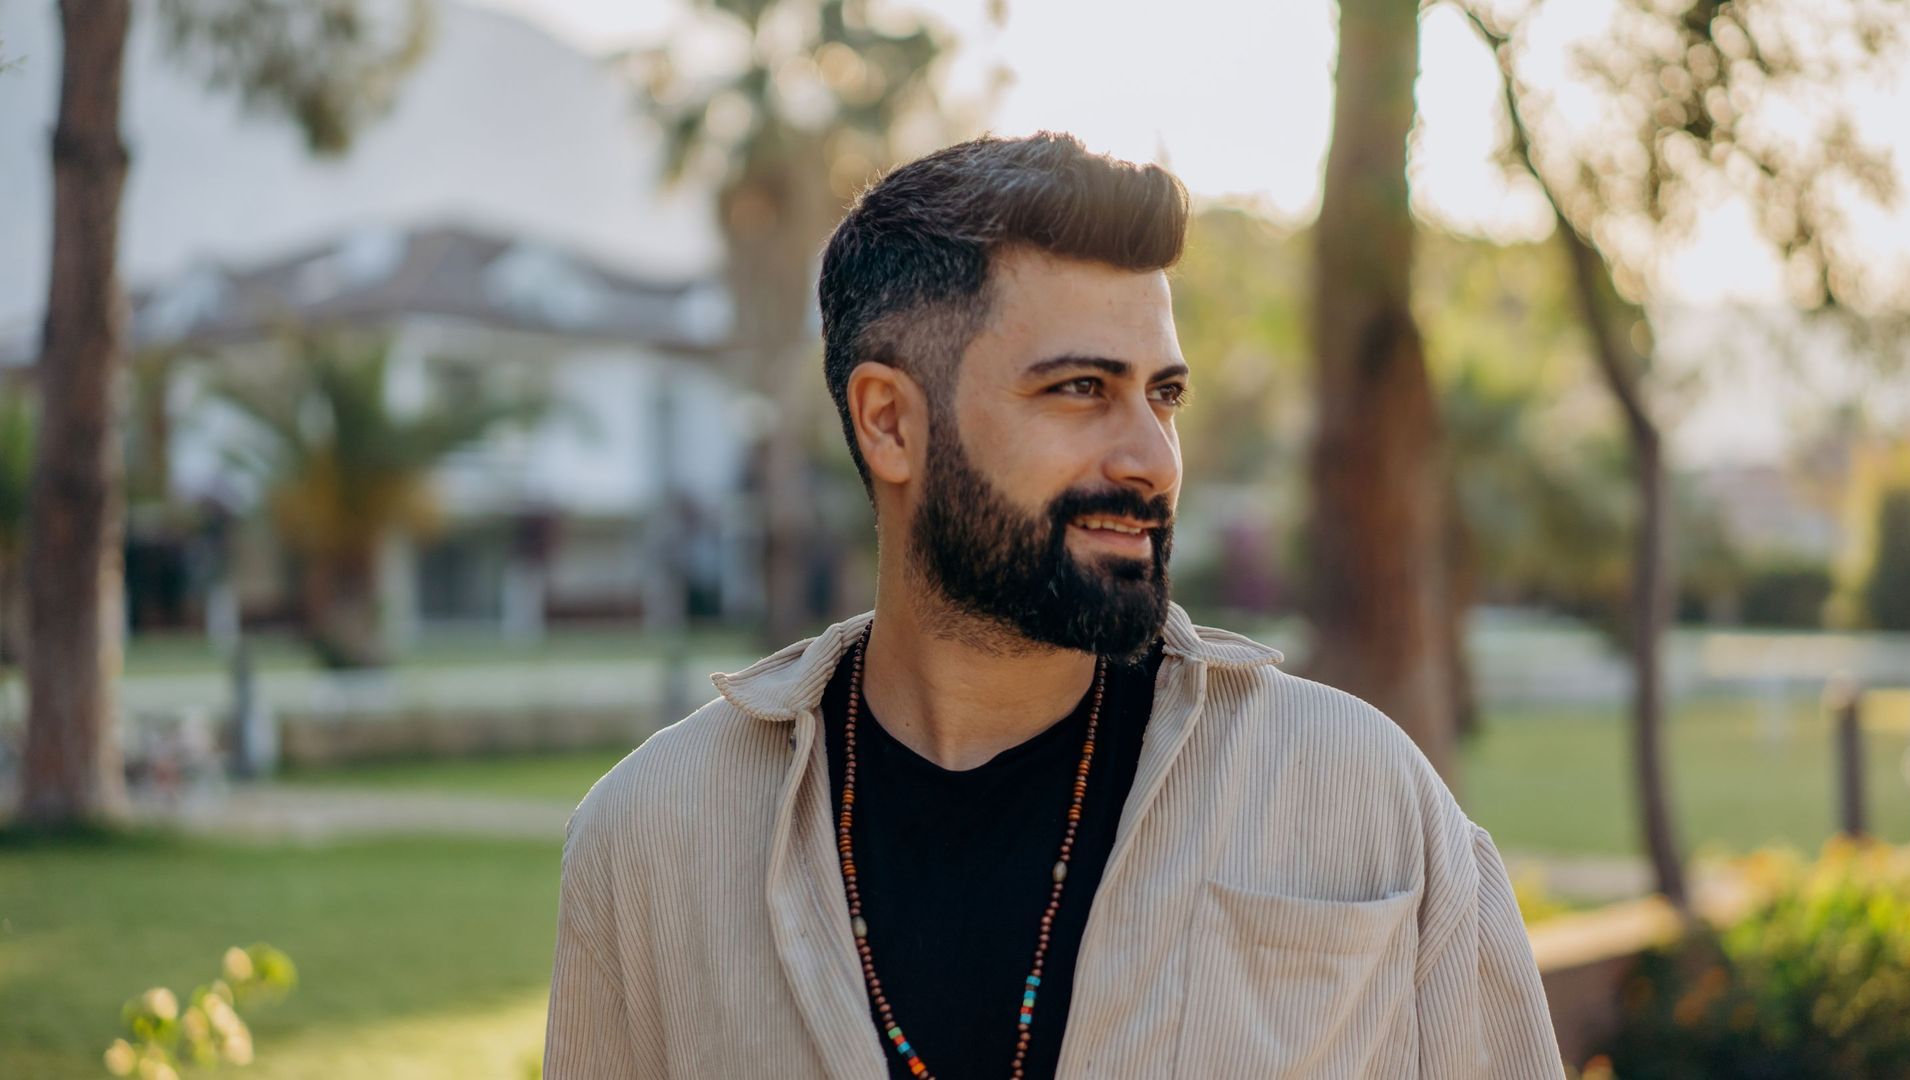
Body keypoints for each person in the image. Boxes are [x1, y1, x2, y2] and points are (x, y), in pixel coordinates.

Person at [542, 131, 1563, 1079]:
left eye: (1163, 395)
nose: (1151, 460)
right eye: (1080, 388)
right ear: (890, 423)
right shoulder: (650, 843)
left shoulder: (1365, 799)